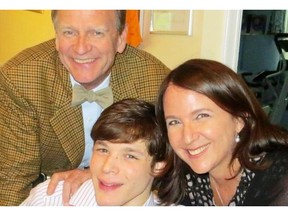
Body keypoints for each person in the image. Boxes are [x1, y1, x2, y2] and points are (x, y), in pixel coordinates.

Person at [0, 10, 170, 206]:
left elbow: (169, 164)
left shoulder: (154, 83)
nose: (81, 48)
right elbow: (12, 181)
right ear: (56, 37)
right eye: (69, 32)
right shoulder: (21, 79)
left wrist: (96, 173)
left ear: (121, 37)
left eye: (97, 33)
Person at [155, 59, 288, 206]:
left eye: (201, 116)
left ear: (239, 120)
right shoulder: (183, 179)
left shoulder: (280, 180)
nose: (187, 138)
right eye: (174, 122)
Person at [20, 99, 171, 206]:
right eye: (103, 150)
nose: (107, 167)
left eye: (129, 156)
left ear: (158, 166)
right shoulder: (49, 199)